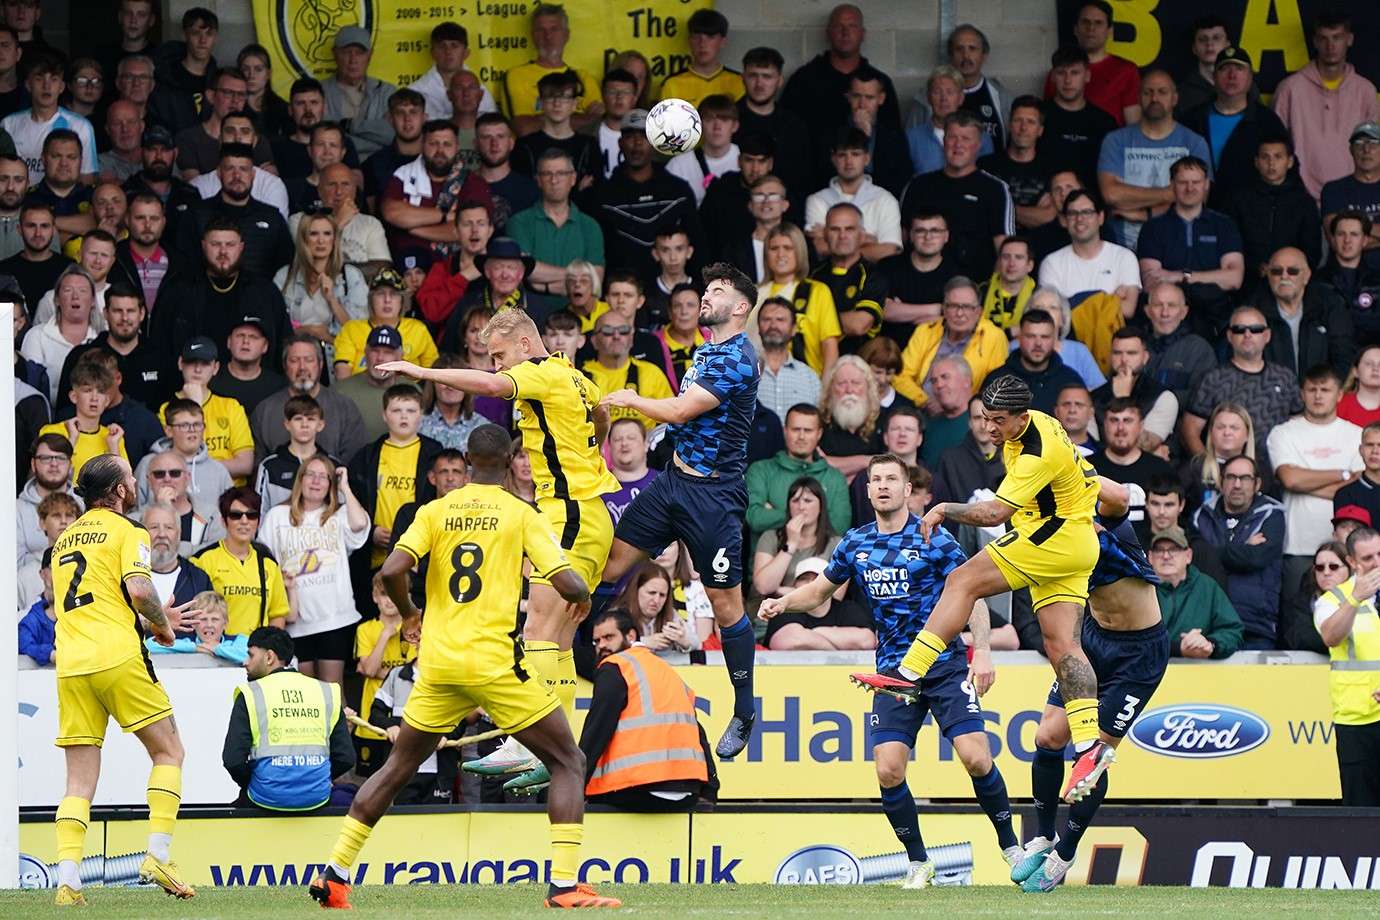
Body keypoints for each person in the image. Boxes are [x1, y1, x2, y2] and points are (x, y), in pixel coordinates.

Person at [310, 423, 619, 909]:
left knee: (397, 767)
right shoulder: (521, 513)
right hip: (493, 662)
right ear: (509, 460)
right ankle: (563, 885)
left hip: (437, 661)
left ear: (469, 461)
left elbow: (391, 570)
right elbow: (566, 580)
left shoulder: (436, 510)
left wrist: (411, 613)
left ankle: (334, 873)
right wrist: (582, 598)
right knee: (567, 760)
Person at [761, 452, 1021, 886]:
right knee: (888, 770)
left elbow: (970, 593)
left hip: (943, 664)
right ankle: (919, 861)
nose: (882, 485)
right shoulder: (855, 543)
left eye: (891, 479)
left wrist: (984, 653)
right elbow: (822, 589)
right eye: (875, 479)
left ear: (906, 490)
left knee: (976, 758)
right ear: (867, 491)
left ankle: (1011, 847)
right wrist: (784, 602)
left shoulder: (934, 538)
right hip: (894, 673)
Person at [853, 375, 1112, 803]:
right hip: (1078, 542)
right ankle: (1088, 745)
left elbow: (993, 514)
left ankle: (908, 671)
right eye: (984, 418)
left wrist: (943, 508)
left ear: (1021, 417)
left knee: (962, 580)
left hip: (1050, 538)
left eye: (998, 421)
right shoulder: (1042, 423)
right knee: (1063, 645)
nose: (989, 428)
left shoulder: (1034, 452)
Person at [47, 454, 196, 905]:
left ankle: (68, 880)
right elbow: (140, 589)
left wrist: (149, 620)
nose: (134, 484)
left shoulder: (63, 541)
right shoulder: (128, 531)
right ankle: (158, 855)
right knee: (169, 750)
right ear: (118, 491)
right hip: (116, 656)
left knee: (78, 780)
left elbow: (98, 599)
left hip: (71, 663)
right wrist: (163, 628)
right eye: (130, 479)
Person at [580, 609, 716, 810]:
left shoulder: (614, 667)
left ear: (631, 636)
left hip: (640, 787)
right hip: (687, 791)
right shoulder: (664, 669)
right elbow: (698, 732)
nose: (602, 646)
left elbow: (597, 730)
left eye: (608, 637)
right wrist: (711, 789)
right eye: (597, 641)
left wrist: (574, 783)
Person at [258, 456, 370, 686]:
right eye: (311, 474)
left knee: (333, 688)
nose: (316, 481)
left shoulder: (338, 515)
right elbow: (264, 561)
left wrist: (345, 487)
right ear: (300, 479)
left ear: (331, 484)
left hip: (334, 618)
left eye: (324, 477)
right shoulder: (277, 516)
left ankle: (341, 724)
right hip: (295, 619)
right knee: (305, 688)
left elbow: (359, 524)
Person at [222, 626, 354, 812]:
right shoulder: (326, 691)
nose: (245, 662)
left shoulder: (251, 693)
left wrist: (258, 783)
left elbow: (233, 760)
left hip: (265, 797)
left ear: (269, 657)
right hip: (316, 796)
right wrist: (317, 780)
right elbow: (346, 758)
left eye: (251, 655)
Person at [1268, 365, 1365, 592]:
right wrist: (1341, 475)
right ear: (1302, 394)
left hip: (1346, 548)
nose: (1318, 396)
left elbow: (1358, 487)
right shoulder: (1283, 433)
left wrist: (1303, 483)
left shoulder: (1357, 434)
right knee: (1297, 621)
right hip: (1297, 546)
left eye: (1325, 389)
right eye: (1312, 389)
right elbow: (1290, 479)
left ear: (1340, 394)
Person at [583, 109, 704, 282]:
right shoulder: (603, 196)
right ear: (620, 143)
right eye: (630, 137)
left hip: (674, 296)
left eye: (645, 136)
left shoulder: (678, 190)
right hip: (622, 296)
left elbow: (697, 247)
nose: (637, 143)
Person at [781, 4, 902, 177]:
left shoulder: (879, 83)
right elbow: (789, 137)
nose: (845, 32)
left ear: (863, 34)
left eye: (852, 26)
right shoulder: (804, 80)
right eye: (839, 26)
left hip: (869, 188)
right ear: (828, 33)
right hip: (814, 182)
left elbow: (894, 141)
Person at [1096, 70, 1210, 251]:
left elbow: (1198, 200)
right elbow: (1111, 195)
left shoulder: (1194, 143)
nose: (1154, 98)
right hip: (1123, 247)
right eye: (1147, 92)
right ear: (1138, 97)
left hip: (1178, 247)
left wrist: (1143, 214)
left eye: (1162, 92)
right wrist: (1169, 193)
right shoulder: (1116, 140)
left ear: (1175, 98)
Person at [1272, 10, 1379, 201]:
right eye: (1324, 38)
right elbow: (1275, 146)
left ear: (1350, 39)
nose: (1330, 46)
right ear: (1314, 42)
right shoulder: (1289, 88)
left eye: (1337, 37)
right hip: (1300, 198)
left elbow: (1372, 149)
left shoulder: (1365, 90)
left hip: (1352, 199)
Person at [1310, 525, 1380, 805]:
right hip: (1356, 719)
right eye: (1368, 558)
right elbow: (1330, 635)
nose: (1377, 563)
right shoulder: (1332, 601)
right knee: (1361, 807)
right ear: (1351, 562)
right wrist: (1355, 599)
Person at [1181, 304, 1303, 464]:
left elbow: (1299, 427)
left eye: (1255, 329)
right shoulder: (1213, 378)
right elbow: (1190, 430)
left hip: (1277, 469)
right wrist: (1210, 469)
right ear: (1230, 336)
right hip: (1226, 476)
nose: (1247, 334)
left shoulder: (1285, 377)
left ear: (1267, 335)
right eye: (1239, 329)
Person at [899, 110, 1014, 277]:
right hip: (920, 284)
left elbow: (1006, 250)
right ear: (944, 141)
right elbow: (901, 241)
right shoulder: (918, 185)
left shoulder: (995, 189)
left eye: (966, 139)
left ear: (978, 145)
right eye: (952, 137)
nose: (958, 144)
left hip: (973, 289)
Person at [1136, 156, 1244, 334]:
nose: (1190, 188)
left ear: (1206, 184)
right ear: (1172, 185)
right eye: (1183, 182)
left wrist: (1180, 276)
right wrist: (1213, 277)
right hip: (1168, 317)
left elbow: (1234, 279)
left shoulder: (1224, 225)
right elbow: (1151, 282)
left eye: (1196, 182)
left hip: (1216, 318)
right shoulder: (1153, 227)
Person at [1191, 454, 1285, 651]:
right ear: (1221, 482)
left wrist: (1215, 553)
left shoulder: (1272, 514)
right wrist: (1242, 547)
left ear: (1257, 483)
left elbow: (1256, 558)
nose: (1237, 484)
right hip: (1210, 624)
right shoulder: (1202, 515)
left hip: (1255, 624)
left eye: (1245, 478)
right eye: (1231, 477)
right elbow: (1198, 560)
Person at [1179, 47, 1287, 212]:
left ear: (1250, 77)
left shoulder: (1267, 121)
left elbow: (1286, 172)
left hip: (1252, 216)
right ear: (1214, 77)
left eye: (1239, 68)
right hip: (1199, 215)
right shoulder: (1192, 119)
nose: (1232, 75)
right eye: (1224, 68)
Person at [250, 334, 369, 466]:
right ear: (284, 366)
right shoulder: (265, 411)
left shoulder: (344, 408)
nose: (302, 367)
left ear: (321, 364)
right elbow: (258, 468)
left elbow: (355, 464)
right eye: (294, 360)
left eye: (309, 360)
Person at [177, 144, 294, 278]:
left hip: (258, 296)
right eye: (229, 168)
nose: (237, 175)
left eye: (243, 169)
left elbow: (285, 269)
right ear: (219, 173)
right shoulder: (196, 215)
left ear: (253, 174)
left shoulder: (272, 218)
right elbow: (185, 266)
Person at [379, 119, 492, 256]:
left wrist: (413, 228)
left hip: (455, 267)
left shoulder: (473, 182)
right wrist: (446, 216)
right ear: (422, 145)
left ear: (457, 146)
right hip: (408, 266)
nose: (440, 150)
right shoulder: (403, 175)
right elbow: (393, 213)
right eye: (433, 144)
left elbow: (469, 231)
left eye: (447, 144)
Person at [507, 149, 604, 307]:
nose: (554, 180)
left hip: (578, 319)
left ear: (573, 179)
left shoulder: (590, 226)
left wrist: (544, 286)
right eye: (547, 174)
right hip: (531, 315)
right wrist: (579, 278)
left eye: (561, 173)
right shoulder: (519, 222)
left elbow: (596, 281)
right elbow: (526, 271)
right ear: (538, 180)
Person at [893, 275, 1006, 410]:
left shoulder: (993, 337)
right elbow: (900, 375)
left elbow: (996, 386)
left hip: (967, 414)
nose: (959, 313)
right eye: (953, 306)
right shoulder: (925, 331)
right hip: (920, 409)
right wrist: (924, 401)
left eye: (967, 307)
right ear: (944, 310)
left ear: (978, 312)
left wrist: (960, 405)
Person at [191, 487, 292, 636]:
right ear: (224, 521)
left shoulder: (268, 562)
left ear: (258, 521)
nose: (244, 521)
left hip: (255, 653)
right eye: (236, 515)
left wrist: (267, 648)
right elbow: (192, 614)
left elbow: (277, 614)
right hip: (215, 652)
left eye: (251, 515)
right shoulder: (203, 560)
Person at [746, 403, 851, 544]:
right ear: (785, 431)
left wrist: (777, 513)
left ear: (819, 434)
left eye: (808, 430)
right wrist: (815, 516)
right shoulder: (760, 471)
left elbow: (839, 526)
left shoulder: (835, 478)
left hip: (819, 563)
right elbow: (755, 519)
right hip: (769, 560)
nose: (801, 436)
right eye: (795, 429)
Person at [1227, 134, 1322, 288]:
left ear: (1289, 162)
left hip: (1291, 281)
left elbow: (1312, 250)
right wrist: (1256, 266)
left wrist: (1286, 269)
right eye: (1265, 157)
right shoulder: (1239, 200)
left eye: (1278, 157)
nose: (1271, 163)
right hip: (1247, 280)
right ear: (1256, 162)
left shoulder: (1304, 202)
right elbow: (1231, 243)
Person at [1252, 246, 1354, 381]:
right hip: (1271, 397)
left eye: (1293, 271)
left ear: (1307, 276)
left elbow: (1343, 358)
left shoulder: (1330, 306)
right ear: (1269, 276)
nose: (1284, 276)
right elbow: (1245, 363)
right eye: (1276, 271)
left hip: (1321, 395)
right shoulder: (1253, 311)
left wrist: (1321, 392)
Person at [273, 211, 368, 349]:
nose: (321, 241)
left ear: (334, 238)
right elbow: (274, 328)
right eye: (314, 234)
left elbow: (359, 334)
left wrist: (332, 300)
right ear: (304, 239)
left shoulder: (351, 276)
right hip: (295, 357)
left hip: (337, 360)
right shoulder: (284, 276)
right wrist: (308, 332)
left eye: (327, 234)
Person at [501, 4, 602, 134]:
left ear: (566, 35)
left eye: (554, 29)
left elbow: (599, 124)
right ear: (532, 36)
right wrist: (582, 117)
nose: (547, 36)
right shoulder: (516, 75)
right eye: (540, 30)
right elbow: (525, 128)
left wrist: (542, 118)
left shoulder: (584, 78)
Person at [3, 54, 98, 186]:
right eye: (39, 79)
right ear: (28, 85)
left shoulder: (80, 126)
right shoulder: (9, 124)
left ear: (62, 87)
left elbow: (86, 179)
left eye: (53, 79)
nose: (46, 86)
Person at [1040, 46, 1118, 188]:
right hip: (1046, 202)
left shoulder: (1105, 123)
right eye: (1061, 73)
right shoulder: (1037, 117)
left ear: (1087, 76)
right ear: (1052, 76)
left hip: (1092, 204)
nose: (1068, 80)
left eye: (1075, 73)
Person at [1093, 327, 1179, 450]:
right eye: (1117, 353)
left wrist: (1123, 399)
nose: (1124, 360)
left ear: (1145, 357)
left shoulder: (1164, 397)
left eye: (1131, 353)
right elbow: (1089, 446)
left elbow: (1145, 446)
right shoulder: (1094, 396)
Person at [320, 26, 397, 160]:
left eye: (360, 53)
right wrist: (373, 137)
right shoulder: (320, 92)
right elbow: (322, 141)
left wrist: (347, 126)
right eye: (347, 52)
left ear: (370, 55)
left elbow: (391, 136)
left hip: (379, 168)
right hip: (335, 168)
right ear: (335, 54)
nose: (353, 59)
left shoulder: (386, 91)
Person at [978, 98, 1053, 231]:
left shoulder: (1052, 169)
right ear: (1009, 125)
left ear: (1040, 130)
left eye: (1030, 122)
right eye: (1018, 120)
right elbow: (980, 211)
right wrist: (1031, 213)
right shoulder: (986, 165)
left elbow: (1048, 216)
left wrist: (999, 207)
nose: (1023, 128)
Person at [994, 309, 1086, 414]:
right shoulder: (997, 381)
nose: (1038, 343)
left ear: (1054, 340)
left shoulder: (1071, 379)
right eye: (1031, 336)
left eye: (1045, 337)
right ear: (1019, 338)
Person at [1142, 281, 1217, 408]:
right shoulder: (1133, 346)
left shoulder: (1199, 350)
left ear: (1184, 312)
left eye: (1171, 305)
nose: (1165, 313)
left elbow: (1203, 399)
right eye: (1158, 305)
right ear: (1148, 311)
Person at [755, 296, 821, 423]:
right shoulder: (744, 372)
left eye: (780, 320)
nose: (773, 325)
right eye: (766, 319)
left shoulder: (810, 378)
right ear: (758, 326)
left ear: (794, 328)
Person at [411, 23, 497, 121]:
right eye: (442, 46)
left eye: (454, 46)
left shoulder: (480, 91)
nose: (448, 52)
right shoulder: (417, 92)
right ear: (433, 53)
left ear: (466, 53)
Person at [0, 199, 73, 312]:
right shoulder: (4, 270)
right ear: (19, 229)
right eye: (31, 226)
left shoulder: (69, 268)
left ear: (54, 230)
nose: (38, 233)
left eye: (44, 226)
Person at [1319, 212, 1380, 344]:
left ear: (1365, 241)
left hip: (1370, 358)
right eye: (1341, 234)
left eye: (1354, 234)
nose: (1347, 240)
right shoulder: (1317, 281)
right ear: (1333, 240)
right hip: (1329, 359)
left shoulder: (1377, 281)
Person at [1321, 122, 1380, 241]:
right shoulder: (1333, 190)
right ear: (1351, 150)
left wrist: (1352, 230)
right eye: (1359, 144)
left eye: (1373, 143)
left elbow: (1348, 242)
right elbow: (1339, 242)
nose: (1366, 149)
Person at [601, 417, 656, 526]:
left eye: (631, 438)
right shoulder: (599, 488)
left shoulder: (665, 484)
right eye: (617, 439)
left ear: (646, 444)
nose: (624, 443)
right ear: (609, 447)